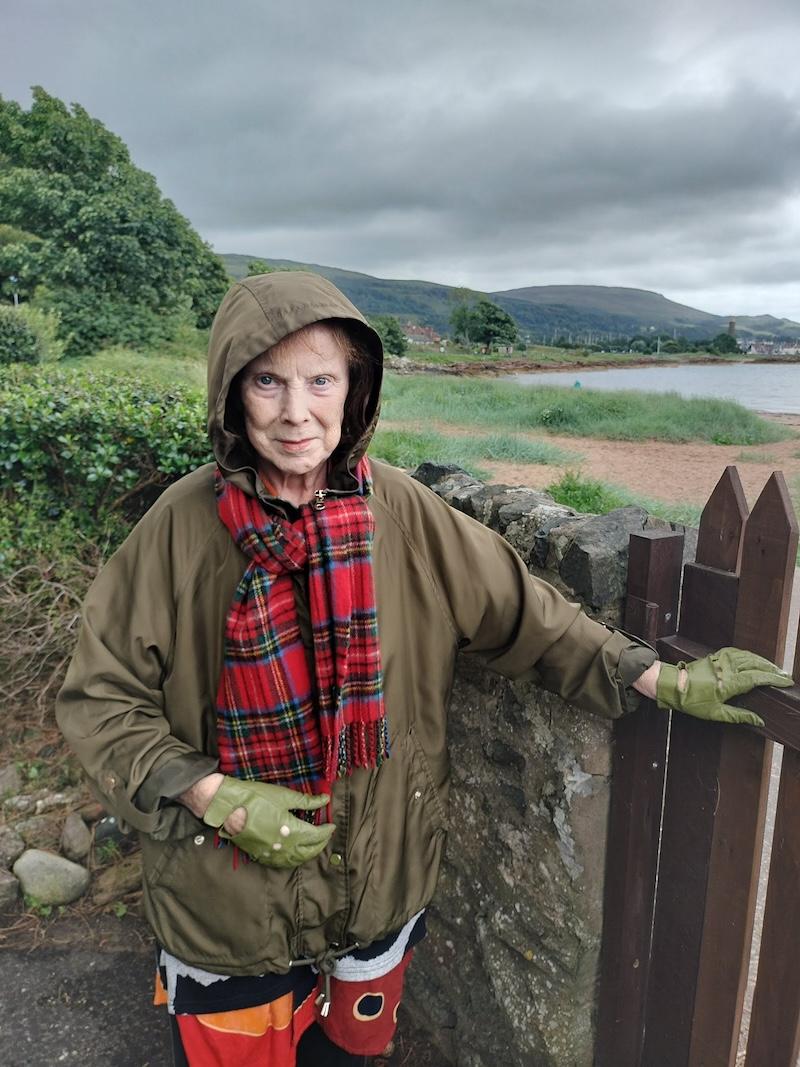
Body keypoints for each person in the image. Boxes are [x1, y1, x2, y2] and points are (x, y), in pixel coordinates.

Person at [56, 272, 793, 1067]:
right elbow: (101, 698)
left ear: (355, 389)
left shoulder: (402, 513)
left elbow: (527, 615)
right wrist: (213, 794)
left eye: (320, 379)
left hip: (376, 890)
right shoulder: (179, 529)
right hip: (225, 908)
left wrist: (664, 679)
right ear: (233, 392)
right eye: (267, 380)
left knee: (352, 1058)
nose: (295, 410)